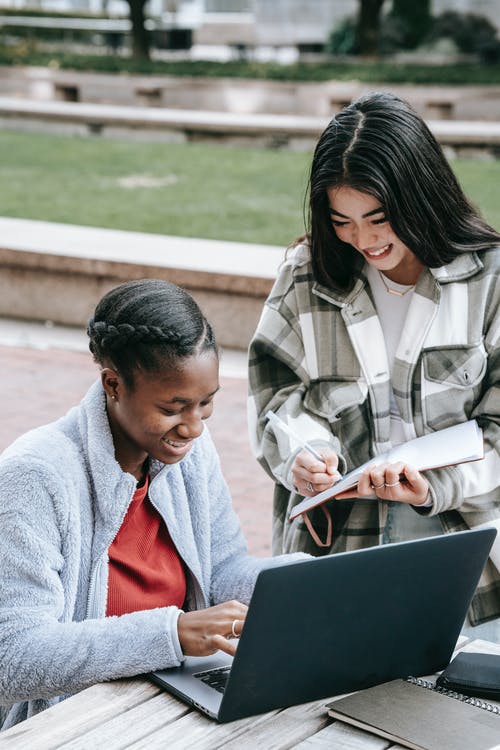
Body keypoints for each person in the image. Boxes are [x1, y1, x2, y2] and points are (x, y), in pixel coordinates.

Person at [0, 278, 307, 731]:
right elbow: (16, 656)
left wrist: (302, 581)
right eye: (173, 407)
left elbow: (221, 573)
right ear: (113, 384)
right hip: (75, 724)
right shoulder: (34, 477)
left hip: (177, 697)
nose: (194, 427)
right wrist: (173, 633)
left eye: (206, 404)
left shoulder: (189, 455)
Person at [248, 91, 500, 638]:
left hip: (468, 561)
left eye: (378, 218)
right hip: (340, 552)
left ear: (421, 197)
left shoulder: (489, 281)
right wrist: (304, 454)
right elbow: (275, 397)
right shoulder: (305, 273)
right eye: (341, 221)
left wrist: (436, 485)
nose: (362, 240)